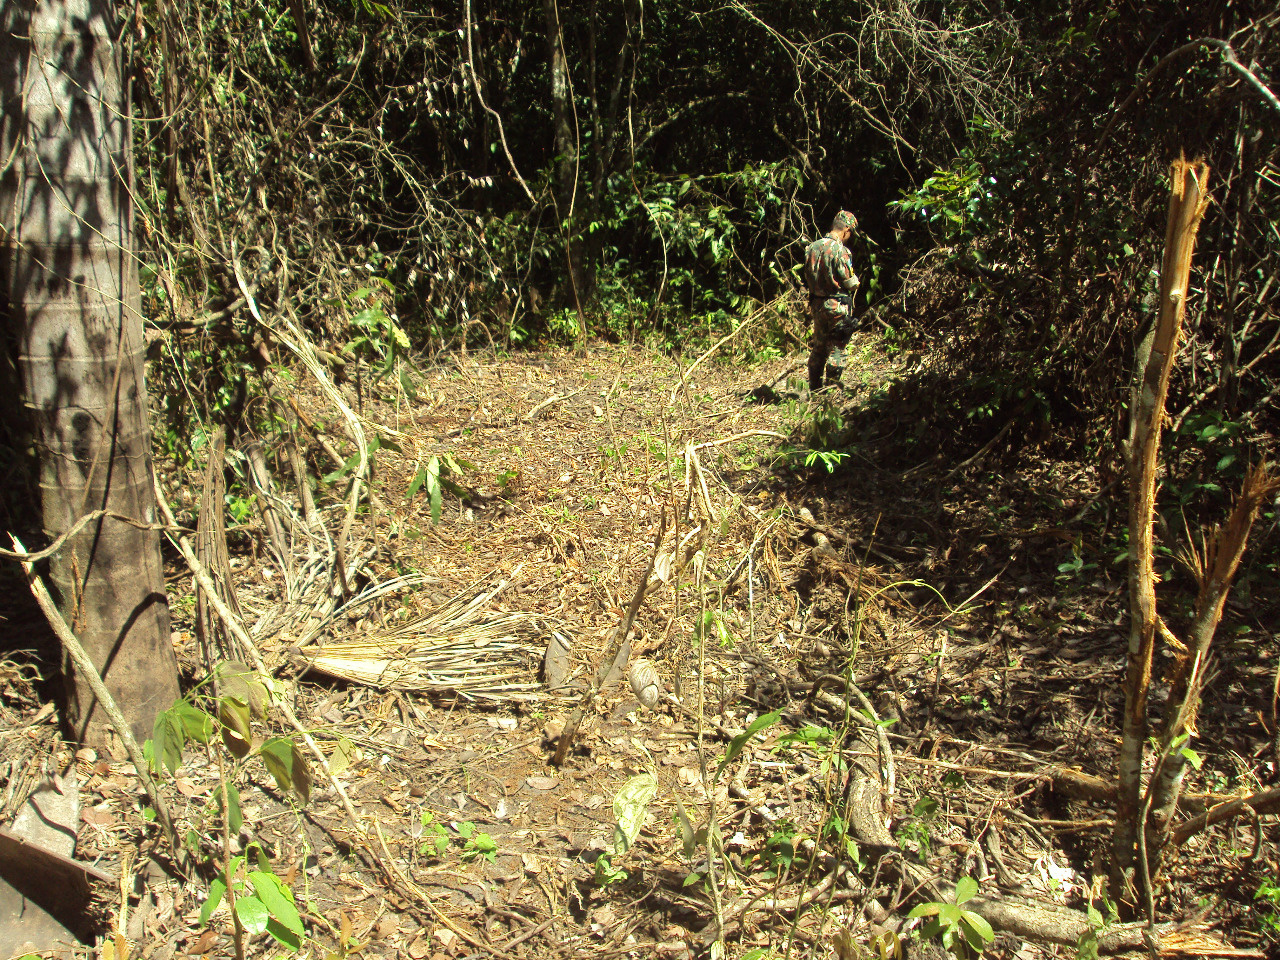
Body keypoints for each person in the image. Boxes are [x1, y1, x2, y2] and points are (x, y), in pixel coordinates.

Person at [803, 210, 861, 391]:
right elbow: (848, 281)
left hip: (817, 304)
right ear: (846, 230)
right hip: (837, 305)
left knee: (819, 347)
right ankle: (831, 389)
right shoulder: (840, 251)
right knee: (838, 348)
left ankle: (814, 388)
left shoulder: (812, 247)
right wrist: (855, 283)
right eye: (850, 233)